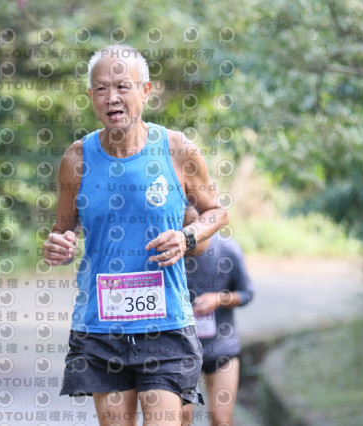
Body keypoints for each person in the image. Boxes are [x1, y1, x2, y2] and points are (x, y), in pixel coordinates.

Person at [42, 44, 229, 426]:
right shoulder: (77, 158)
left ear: (145, 91)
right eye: (101, 89)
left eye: (122, 87)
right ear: (91, 96)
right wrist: (58, 245)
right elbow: (62, 230)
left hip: (166, 324)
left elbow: (217, 211)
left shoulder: (177, 149)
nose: (111, 97)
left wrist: (187, 237)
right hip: (101, 326)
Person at [180, 206, 255, 426]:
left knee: (221, 420)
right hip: (180, 352)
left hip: (222, 348)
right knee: (181, 420)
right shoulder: (171, 253)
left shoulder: (228, 251)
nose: (185, 241)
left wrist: (219, 299)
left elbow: (247, 293)